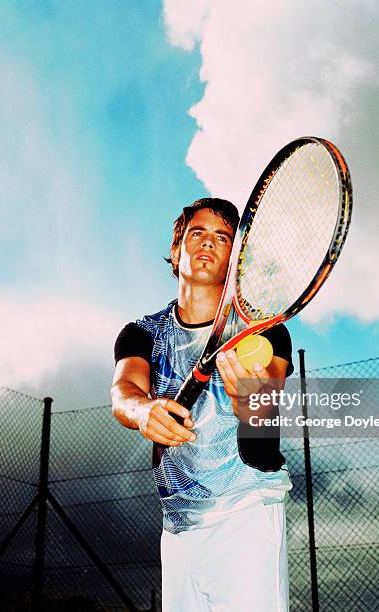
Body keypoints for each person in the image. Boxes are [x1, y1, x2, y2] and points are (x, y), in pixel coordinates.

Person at [111, 198, 293, 611]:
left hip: (247, 512)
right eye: (197, 233)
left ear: (235, 259)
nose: (208, 243)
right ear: (177, 250)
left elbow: (264, 410)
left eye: (222, 237)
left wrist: (249, 397)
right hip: (178, 525)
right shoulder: (143, 333)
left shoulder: (261, 333)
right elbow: (124, 390)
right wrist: (143, 411)